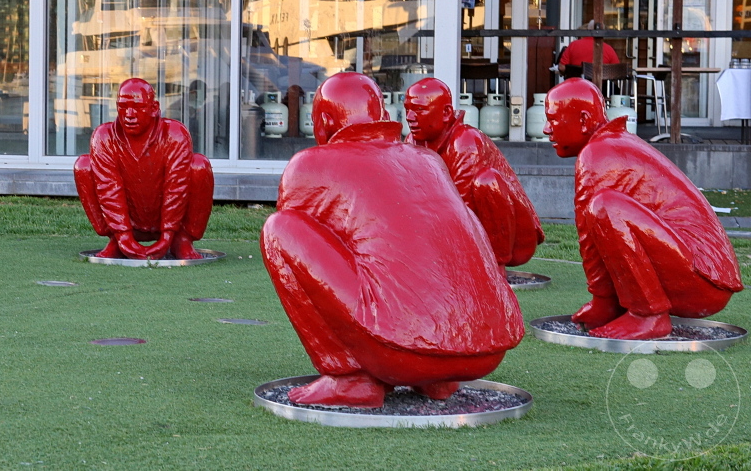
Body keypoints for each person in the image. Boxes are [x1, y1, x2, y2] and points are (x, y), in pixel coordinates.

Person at [260, 72, 523, 408]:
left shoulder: (310, 164)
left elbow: (303, 247)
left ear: (324, 122)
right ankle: (439, 382)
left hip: (403, 352)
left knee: (279, 229)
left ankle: (350, 379)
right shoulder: (428, 160)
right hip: (486, 349)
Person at [543, 78, 743, 340]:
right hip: (704, 275)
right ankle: (632, 309)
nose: (547, 129)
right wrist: (605, 303)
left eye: (554, 119)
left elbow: (587, 235)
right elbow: (599, 236)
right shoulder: (612, 142)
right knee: (604, 210)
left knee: (605, 207)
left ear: (582, 120)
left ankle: (648, 315)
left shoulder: (597, 153)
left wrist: (602, 299)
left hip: (702, 280)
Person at [405, 78, 544, 269]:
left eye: (419, 110)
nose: (409, 117)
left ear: (446, 113)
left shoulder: (465, 141)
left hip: (515, 237)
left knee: (486, 182)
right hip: (460, 227)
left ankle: (495, 270)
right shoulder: (412, 140)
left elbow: (461, 208)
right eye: (407, 109)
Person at [74, 78, 214, 260]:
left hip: (169, 217)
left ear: (154, 108)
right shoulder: (104, 136)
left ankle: (182, 239)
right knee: (84, 166)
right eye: (123, 107)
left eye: (138, 107)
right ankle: (115, 239)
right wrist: (122, 235)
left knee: (199, 166)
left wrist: (168, 235)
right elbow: (108, 187)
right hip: (127, 217)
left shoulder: (174, 134)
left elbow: (176, 186)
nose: (129, 114)